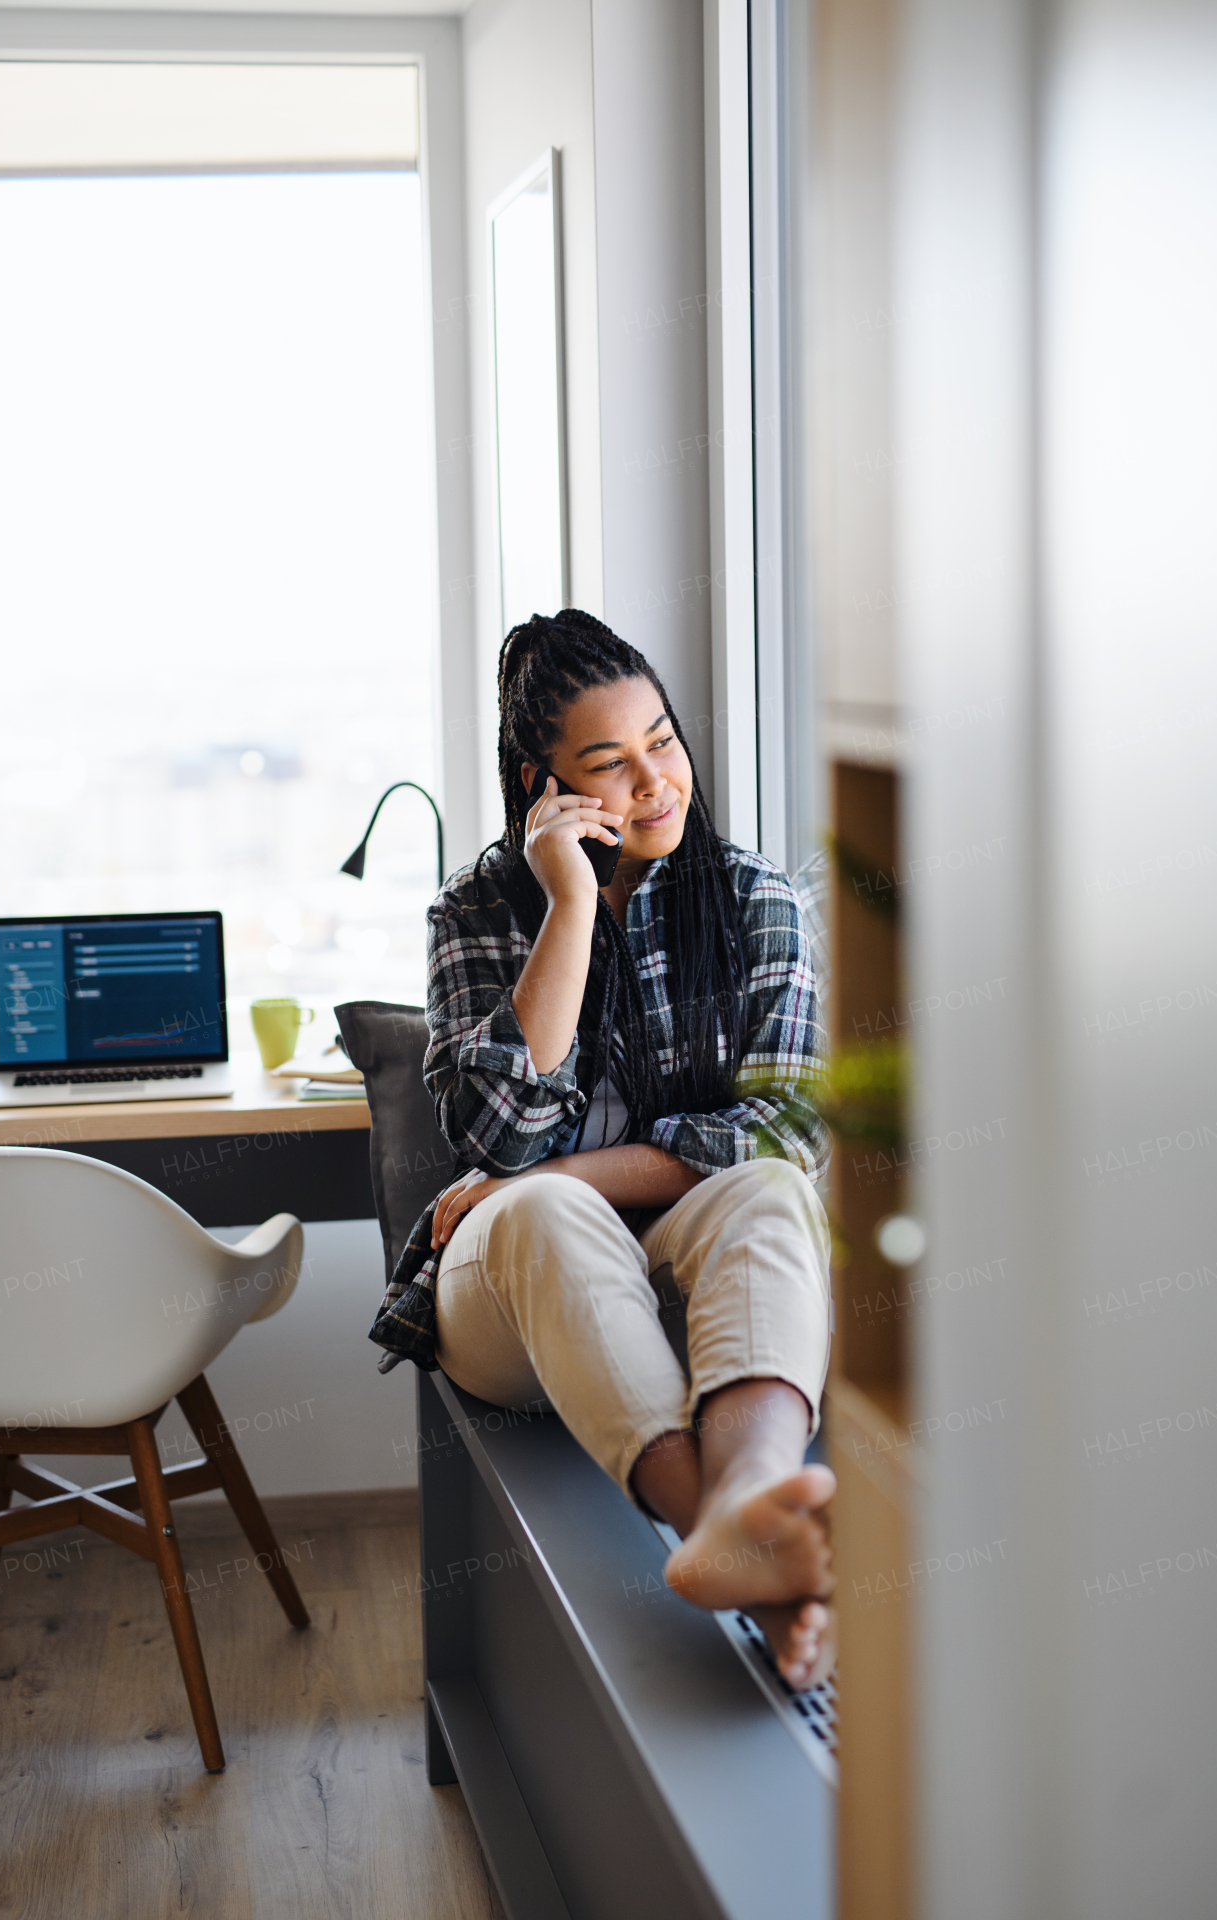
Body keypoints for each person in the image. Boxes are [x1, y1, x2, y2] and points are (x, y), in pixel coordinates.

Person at [371, 609, 834, 1687]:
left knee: (766, 1185)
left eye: (661, 742)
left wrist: (562, 1172)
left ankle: (748, 1507)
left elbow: (781, 1129)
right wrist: (569, 901)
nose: (655, 783)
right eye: (610, 766)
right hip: (510, 1303)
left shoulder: (752, 898)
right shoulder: (474, 914)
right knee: (535, 1209)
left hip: (670, 1265)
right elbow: (498, 1138)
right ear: (545, 782)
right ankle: (714, 1529)